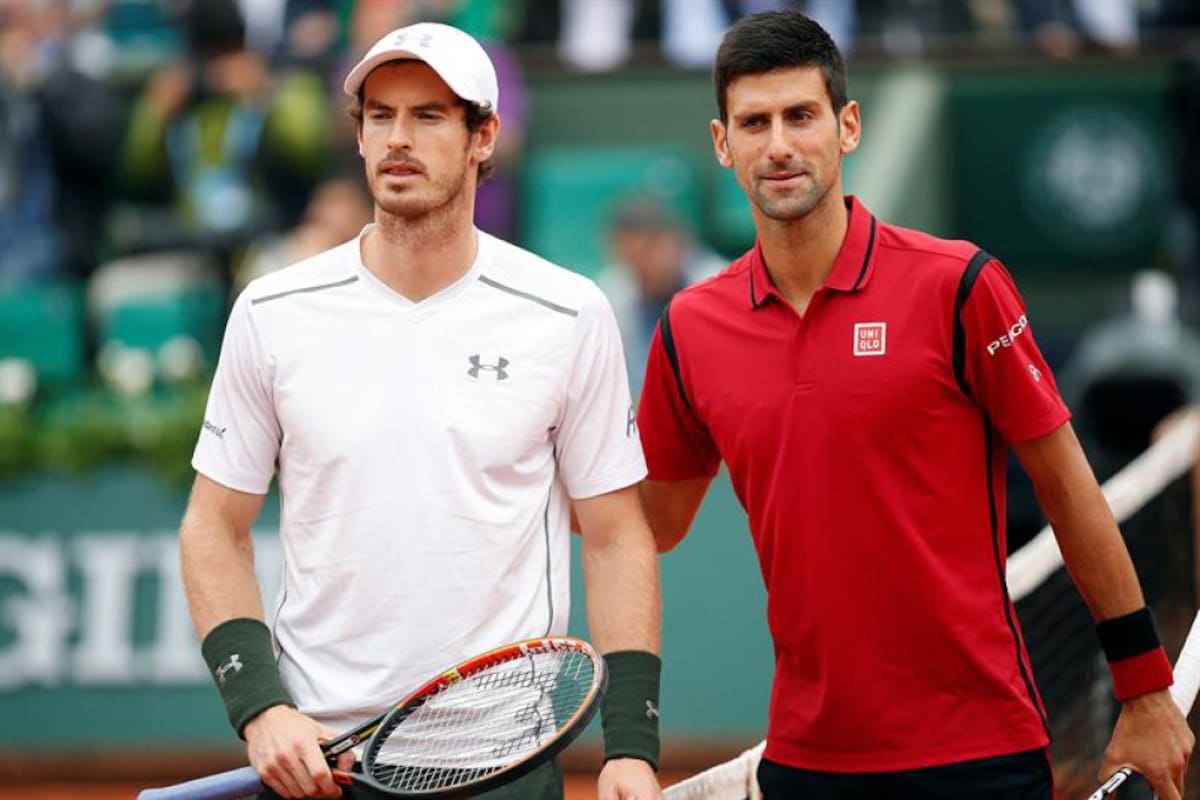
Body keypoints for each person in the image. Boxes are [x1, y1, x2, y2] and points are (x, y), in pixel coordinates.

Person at [635, 10, 1193, 799]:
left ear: (848, 126)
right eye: (754, 123)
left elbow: (1072, 494)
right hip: (806, 767)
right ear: (723, 144)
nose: (780, 145)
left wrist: (1144, 689)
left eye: (801, 115)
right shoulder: (691, 329)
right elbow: (651, 524)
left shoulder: (958, 285)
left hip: (982, 758)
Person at [180, 21, 662, 800]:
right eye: (380, 116)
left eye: (430, 116)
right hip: (322, 763)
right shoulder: (272, 310)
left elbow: (615, 535)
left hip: (502, 757)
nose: (399, 138)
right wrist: (260, 708)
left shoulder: (568, 313)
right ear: (360, 135)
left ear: (484, 137)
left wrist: (631, 746)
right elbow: (212, 525)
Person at [596, 195, 723, 394]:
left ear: (678, 241)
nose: (644, 265)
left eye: (651, 249)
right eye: (632, 257)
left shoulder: (718, 284)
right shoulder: (612, 292)